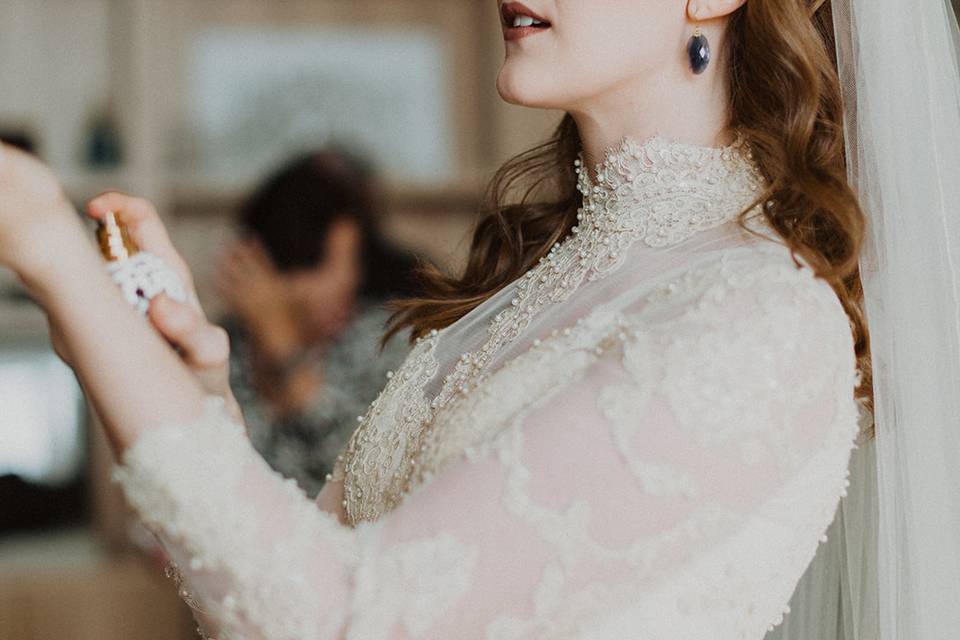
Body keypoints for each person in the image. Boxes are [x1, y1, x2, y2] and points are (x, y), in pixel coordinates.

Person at [0, 1, 957, 638]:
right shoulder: (536, 285)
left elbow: (340, 622)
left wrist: (56, 257)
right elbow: (268, 591)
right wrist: (197, 387)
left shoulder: (760, 319)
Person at [219, 150, 414, 497]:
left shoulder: (388, 336)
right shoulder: (224, 349)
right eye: (329, 265)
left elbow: (365, 476)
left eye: (353, 261)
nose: (347, 281)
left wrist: (284, 352)